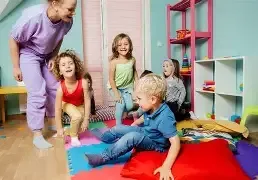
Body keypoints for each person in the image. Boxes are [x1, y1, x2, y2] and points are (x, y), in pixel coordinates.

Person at [9, 0, 77, 149]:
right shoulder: (33, 18)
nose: (73, 13)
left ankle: (54, 124)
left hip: (46, 55)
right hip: (28, 54)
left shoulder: (67, 21)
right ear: (55, 4)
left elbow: (60, 37)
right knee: (38, 91)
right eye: (70, 9)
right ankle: (37, 134)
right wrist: (16, 67)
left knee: (54, 87)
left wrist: (53, 56)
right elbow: (13, 39)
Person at [86, 74, 180, 180]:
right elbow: (146, 118)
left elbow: (175, 143)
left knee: (132, 137)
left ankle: (103, 157)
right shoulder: (152, 106)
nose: (137, 102)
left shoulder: (165, 117)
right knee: (119, 128)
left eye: (139, 99)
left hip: (156, 144)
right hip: (146, 132)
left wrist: (166, 167)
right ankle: (105, 137)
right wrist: (133, 125)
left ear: (153, 99)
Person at [53, 50, 90, 147]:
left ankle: (68, 131)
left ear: (75, 66)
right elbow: (57, 110)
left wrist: (86, 119)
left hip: (80, 105)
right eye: (63, 65)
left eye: (70, 63)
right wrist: (59, 128)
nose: (67, 66)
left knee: (80, 127)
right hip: (66, 104)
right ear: (60, 71)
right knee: (77, 116)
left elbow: (87, 100)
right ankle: (73, 137)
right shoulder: (60, 89)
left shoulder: (84, 82)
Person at [107, 33, 138, 125]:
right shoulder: (114, 62)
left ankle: (125, 112)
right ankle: (118, 125)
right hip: (115, 87)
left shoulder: (132, 59)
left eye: (126, 44)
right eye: (119, 45)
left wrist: (138, 86)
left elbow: (134, 73)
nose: (123, 47)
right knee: (120, 104)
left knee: (129, 106)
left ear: (130, 46)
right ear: (116, 48)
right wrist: (116, 94)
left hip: (127, 87)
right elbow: (111, 79)